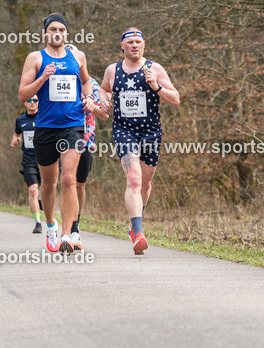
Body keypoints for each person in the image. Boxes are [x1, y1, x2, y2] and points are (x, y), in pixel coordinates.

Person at [18, 13, 98, 253]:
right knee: (49, 182)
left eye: (62, 30)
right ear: (45, 33)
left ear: (66, 33)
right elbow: (23, 94)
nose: (57, 33)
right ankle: (51, 226)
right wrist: (43, 77)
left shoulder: (78, 56)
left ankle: (67, 235)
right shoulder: (35, 58)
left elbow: (86, 82)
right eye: (53, 29)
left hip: (74, 125)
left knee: (68, 178)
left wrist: (89, 98)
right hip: (45, 127)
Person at [100, 28, 180, 254]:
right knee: (133, 179)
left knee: (145, 183)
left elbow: (175, 100)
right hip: (124, 130)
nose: (134, 45)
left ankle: (136, 224)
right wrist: (104, 101)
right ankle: (137, 232)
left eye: (138, 42)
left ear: (144, 45)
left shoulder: (154, 69)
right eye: (130, 42)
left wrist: (157, 86)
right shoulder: (112, 70)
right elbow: (104, 90)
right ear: (122, 46)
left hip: (151, 132)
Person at [71, 71, 107, 248]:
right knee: (67, 182)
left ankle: (75, 223)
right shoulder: (56, 79)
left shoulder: (93, 84)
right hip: (62, 141)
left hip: (86, 140)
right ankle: (70, 229)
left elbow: (104, 115)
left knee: (79, 185)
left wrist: (92, 105)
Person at [11, 96, 43, 233]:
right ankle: (38, 223)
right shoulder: (20, 120)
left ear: (39, 102)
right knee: (32, 190)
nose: (32, 103)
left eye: (35, 100)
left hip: (45, 159)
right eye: (29, 100)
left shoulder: (44, 117)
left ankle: (42, 201)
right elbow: (16, 134)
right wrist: (15, 140)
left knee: (45, 189)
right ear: (24, 102)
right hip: (28, 159)